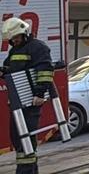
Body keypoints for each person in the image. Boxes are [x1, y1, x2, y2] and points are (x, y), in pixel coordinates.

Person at [2, 18, 53, 173]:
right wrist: (4, 71)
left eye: (16, 37)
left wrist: (39, 93)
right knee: (17, 137)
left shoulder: (37, 47)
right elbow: (13, 69)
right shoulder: (15, 50)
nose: (14, 40)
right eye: (12, 38)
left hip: (30, 101)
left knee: (25, 138)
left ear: (24, 33)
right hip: (17, 102)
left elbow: (45, 70)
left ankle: (25, 171)